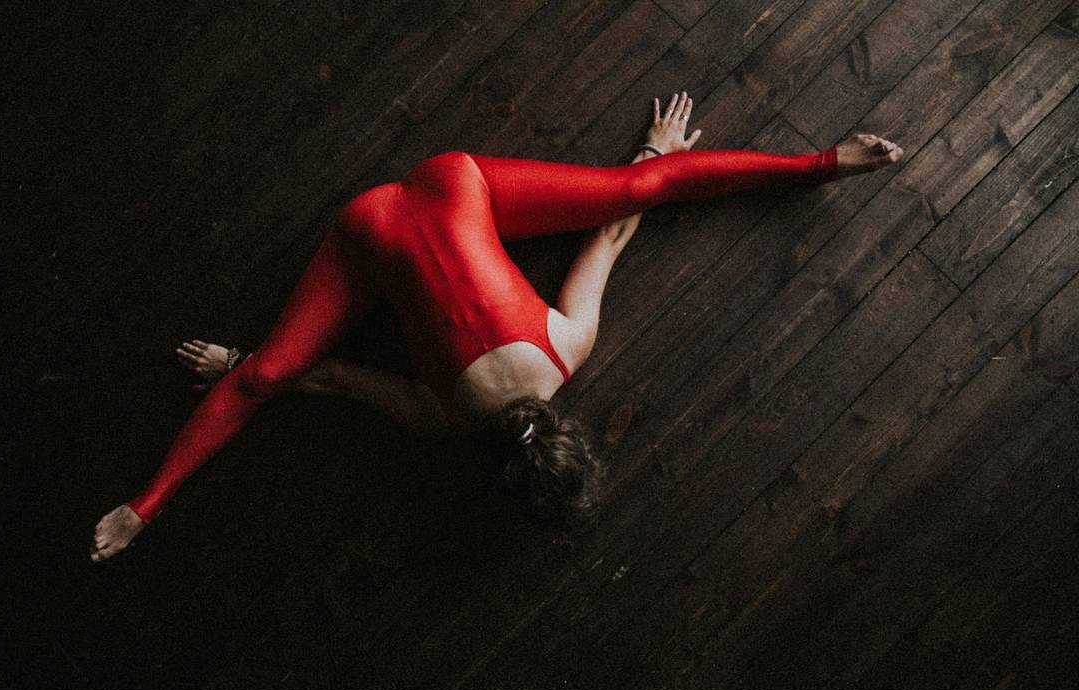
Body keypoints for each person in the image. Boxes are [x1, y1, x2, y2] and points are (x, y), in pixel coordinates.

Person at [92, 92, 903, 562]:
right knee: (264, 378)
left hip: (456, 183)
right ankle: (149, 503)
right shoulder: (439, 420)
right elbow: (329, 377)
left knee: (632, 192)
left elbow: (622, 224)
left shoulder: (567, 346)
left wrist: (818, 163)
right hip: (367, 230)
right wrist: (242, 370)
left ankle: (826, 163)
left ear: (571, 434)